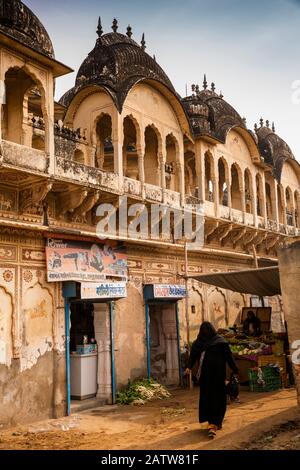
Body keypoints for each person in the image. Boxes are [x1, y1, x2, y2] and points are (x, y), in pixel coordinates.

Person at [185, 322, 238, 439]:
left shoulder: (200, 342)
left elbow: (193, 356)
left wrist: (189, 367)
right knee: (217, 399)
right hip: (217, 377)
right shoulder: (220, 341)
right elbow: (229, 357)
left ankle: (213, 423)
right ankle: (214, 423)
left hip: (207, 378)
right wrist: (235, 369)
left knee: (208, 399)